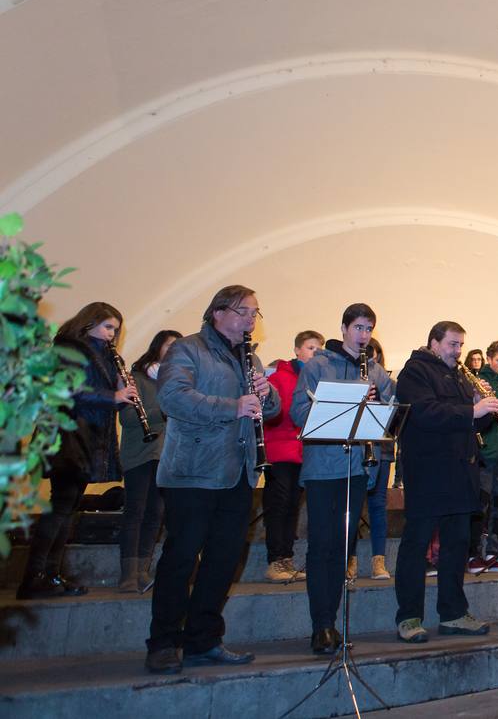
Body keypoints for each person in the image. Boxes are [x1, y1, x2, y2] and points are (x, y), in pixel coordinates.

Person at [146, 284, 278, 674]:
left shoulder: (249, 357)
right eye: (244, 311)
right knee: (181, 558)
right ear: (218, 312)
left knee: (223, 560)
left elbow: (267, 411)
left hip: (238, 472)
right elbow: (172, 398)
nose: (251, 319)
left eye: (255, 312)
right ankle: (164, 642)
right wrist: (233, 405)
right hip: (193, 472)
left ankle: (203, 639)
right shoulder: (188, 349)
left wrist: (267, 397)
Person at [290, 304, 396, 655]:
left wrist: (380, 402)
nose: (363, 336)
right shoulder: (318, 365)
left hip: (358, 469)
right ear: (344, 328)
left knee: (343, 548)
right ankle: (320, 625)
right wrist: (345, 400)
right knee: (322, 547)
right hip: (323, 468)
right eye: (358, 328)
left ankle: (333, 622)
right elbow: (299, 412)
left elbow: (392, 417)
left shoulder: (377, 371)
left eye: (368, 329)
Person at [18, 302, 135, 600]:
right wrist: (113, 393)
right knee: (60, 509)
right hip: (66, 437)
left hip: (87, 440)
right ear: (88, 322)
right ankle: (35, 577)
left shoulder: (104, 355)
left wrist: (121, 390)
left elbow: (104, 399)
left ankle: (50, 575)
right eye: (108, 326)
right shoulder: (69, 349)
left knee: (66, 510)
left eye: (115, 330)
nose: (112, 334)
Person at [393, 321, 498, 642]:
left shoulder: (459, 375)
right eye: (453, 345)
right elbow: (425, 412)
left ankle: (453, 613)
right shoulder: (414, 372)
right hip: (427, 472)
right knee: (416, 546)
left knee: (455, 546)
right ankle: (409, 617)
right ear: (434, 342)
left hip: (460, 471)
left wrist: (490, 409)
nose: (458, 352)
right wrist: (472, 409)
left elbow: (472, 421)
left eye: (461, 346)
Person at [116, 329, 182, 593]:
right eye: (170, 346)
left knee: (156, 514)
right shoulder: (138, 378)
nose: (174, 352)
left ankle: (143, 570)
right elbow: (128, 418)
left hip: (165, 456)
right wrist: (165, 410)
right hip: (139, 454)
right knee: (136, 512)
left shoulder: (176, 382)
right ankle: (128, 574)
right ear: (158, 348)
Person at [262, 329, 321, 583]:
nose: (314, 352)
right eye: (310, 347)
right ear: (297, 350)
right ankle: (275, 560)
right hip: (280, 450)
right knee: (279, 505)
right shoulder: (281, 377)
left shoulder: (315, 379)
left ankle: (286, 558)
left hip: (302, 452)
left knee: (292, 508)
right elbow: (277, 412)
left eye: (319, 349)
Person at [470, 339, 498, 573]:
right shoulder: (480, 381)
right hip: (485, 452)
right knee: (481, 507)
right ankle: (473, 554)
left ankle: (492, 553)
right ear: (489, 359)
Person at [362, 336, 393, 581]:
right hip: (355, 450)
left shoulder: (385, 380)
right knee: (352, 506)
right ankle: (349, 561)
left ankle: (378, 562)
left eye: (373, 353)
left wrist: (378, 400)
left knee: (378, 505)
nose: (369, 357)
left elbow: (394, 414)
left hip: (381, 449)